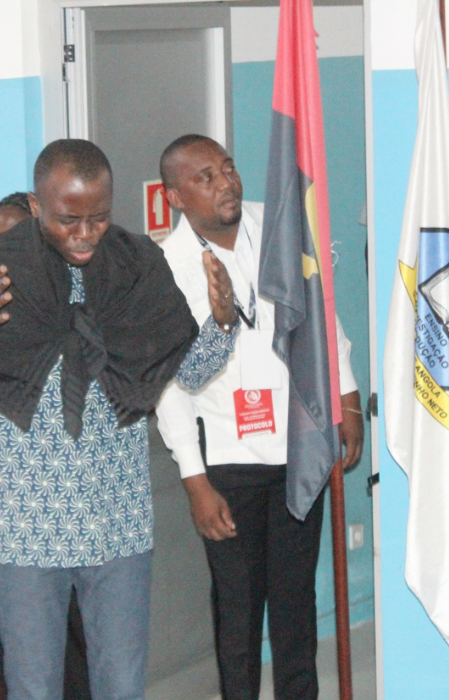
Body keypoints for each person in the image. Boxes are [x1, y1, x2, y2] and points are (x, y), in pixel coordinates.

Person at [0, 138, 239, 700]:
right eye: (69, 220)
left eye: (99, 217)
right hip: (29, 529)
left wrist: (223, 322)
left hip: (119, 523)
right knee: (34, 689)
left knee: (122, 687)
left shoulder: (137, 265)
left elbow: (188, 373)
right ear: (36, 206)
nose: (86, 233)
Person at [155, 134, 364, 700]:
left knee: (296, 600)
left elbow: (320, 310)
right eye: (205, 177)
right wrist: (195, 481)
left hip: (298, 442)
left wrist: (345, 392)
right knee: (239, 608)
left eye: (227, 168)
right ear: (175, 196)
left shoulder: (276, 223)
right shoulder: (165, 267)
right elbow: (169, 387)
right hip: (227, 460)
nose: (225, 182)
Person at [0, 190, 92, 700]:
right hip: (6, 495)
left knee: (80, 630)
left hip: (72, 491)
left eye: (11, 238)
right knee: (19, 633)